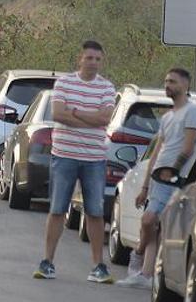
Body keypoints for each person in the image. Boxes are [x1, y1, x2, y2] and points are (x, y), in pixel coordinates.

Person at [35, 40, 117, 284]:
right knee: (57, 208)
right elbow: (59, 114)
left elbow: (105, 118)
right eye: (89, 58)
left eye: (97, 59)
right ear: (80, 59)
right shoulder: (64, 83)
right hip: (65, 155)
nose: (93, 62)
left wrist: (77, 113)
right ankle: (47, 261)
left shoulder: (107, 87)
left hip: (94, 158)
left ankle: (98, 266)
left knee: (94, 211)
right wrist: (90, 120)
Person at [118, 67, 196, 289]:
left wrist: (173, 171)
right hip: (159, 178)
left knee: (158, 223)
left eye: (173, 82)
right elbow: (157, 153)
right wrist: (146, 185)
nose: (168, 85)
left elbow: (188, 147)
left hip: (178, 179)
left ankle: (150, 268)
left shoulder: (192, 112)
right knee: (150, 222)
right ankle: (144, 273)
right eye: (166, 81)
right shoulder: (167, 117)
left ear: (185, 85)